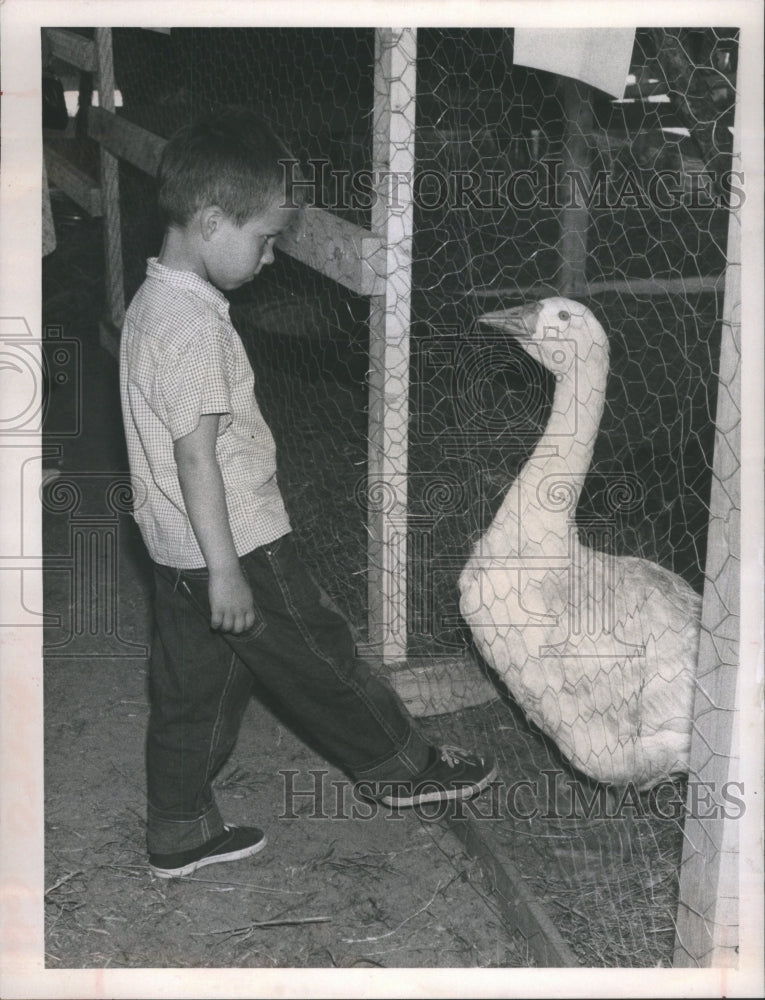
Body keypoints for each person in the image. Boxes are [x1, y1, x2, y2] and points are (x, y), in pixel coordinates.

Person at [119, 107, 496, 880]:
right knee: (321, 654)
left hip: (174, 550)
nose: (268, 260)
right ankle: (402, 765)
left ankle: (178, 828)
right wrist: (227, 568)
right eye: (262, 240)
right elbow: (196, 458)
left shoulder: (152, 305)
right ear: (211, 220)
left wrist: (202, 567)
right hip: (237, 544)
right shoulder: (193, 330)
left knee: (194, 688)